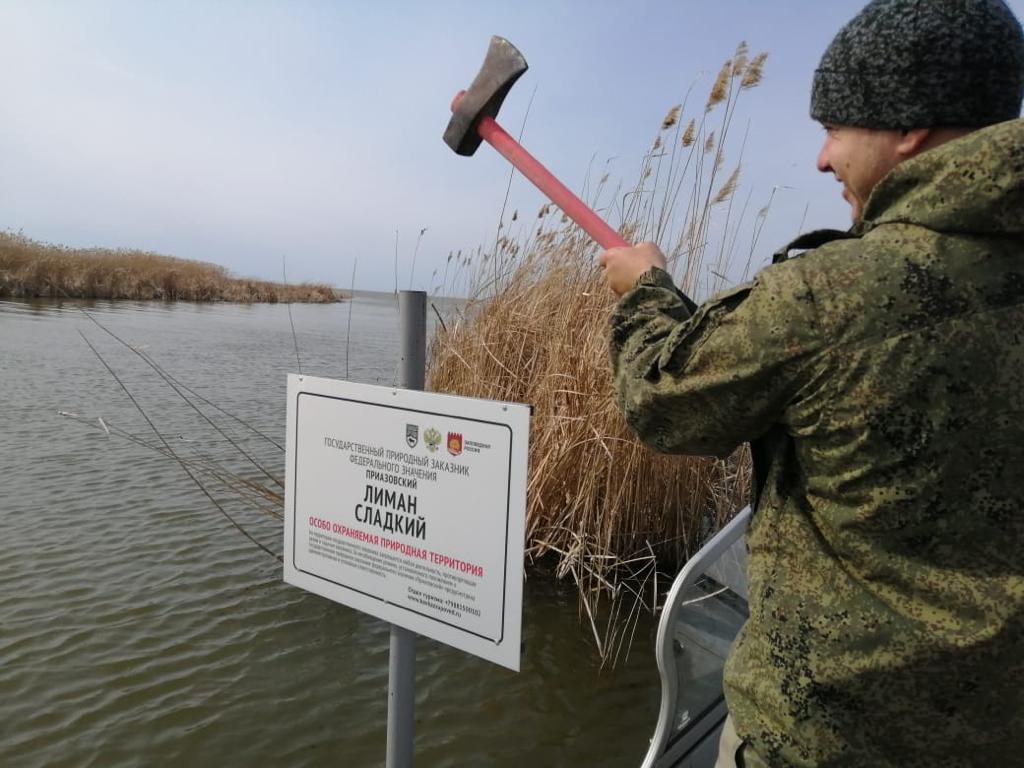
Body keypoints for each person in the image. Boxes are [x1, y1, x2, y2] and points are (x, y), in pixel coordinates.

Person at [598, 0, 1024, 765]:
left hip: (829, 738)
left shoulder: (832, 297)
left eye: (834, 130)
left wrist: (649, 292)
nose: (820, 160)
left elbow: (663, 402)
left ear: (909, 128)